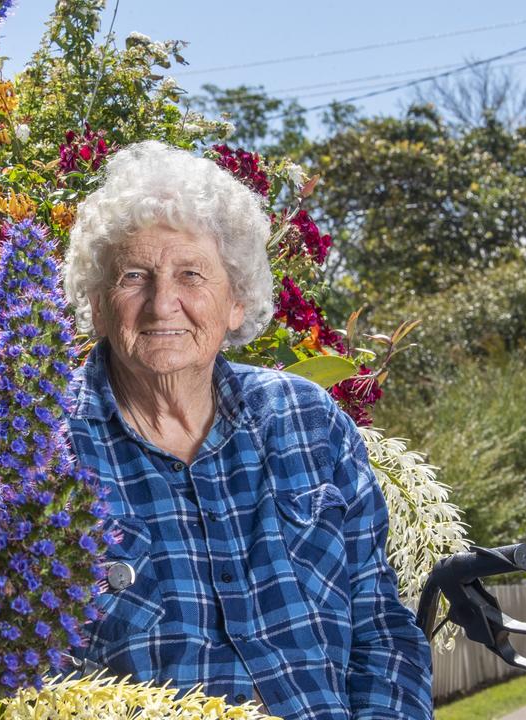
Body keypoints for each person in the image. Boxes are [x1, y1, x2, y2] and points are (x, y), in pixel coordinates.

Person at [62, 140, 432, 719]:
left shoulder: (307, 423)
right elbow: (22, 677)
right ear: (98, 303)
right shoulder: (44, 454)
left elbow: (380, 629)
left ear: (236, 301)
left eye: (192, 274)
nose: (164, 304)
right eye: (135, 276)